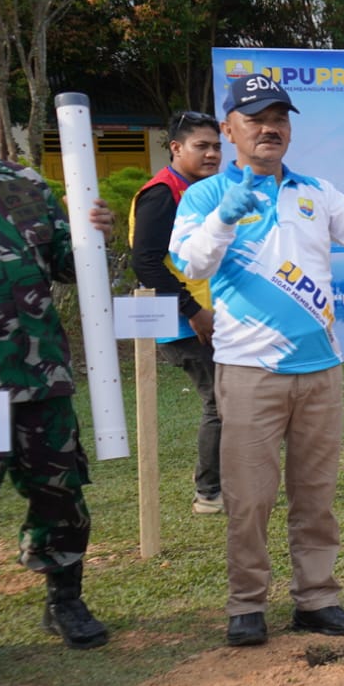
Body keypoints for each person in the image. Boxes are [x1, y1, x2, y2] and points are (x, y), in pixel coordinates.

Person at [171, 73, 344, 647]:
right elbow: (192, 263)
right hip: (250, 370)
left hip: (319, 371)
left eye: (278, 118)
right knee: (249, 497)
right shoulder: (205, 195)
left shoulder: (315, 191)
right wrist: (226, 215)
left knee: (316, 495)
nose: (269, 128)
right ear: (230, 130)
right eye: (255, 119)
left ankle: (317, 598)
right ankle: (247, 605)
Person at [0, 46, 115, 649]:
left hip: (40, 379)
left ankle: (65, 600)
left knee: (60, 492)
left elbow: (64, 264)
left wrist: (92, 235)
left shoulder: (23, 184)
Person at [129, 110, 226, 514]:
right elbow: (145, 262)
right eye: (201, 146)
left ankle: (225, 484)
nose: (212, 154)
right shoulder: (163, 193)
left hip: (210, 313)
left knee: (231, 400)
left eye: (217, 147)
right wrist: (192, 310)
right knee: (220, 403)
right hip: (185, 323)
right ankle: (209, 493)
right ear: (176, 148)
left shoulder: (205, 189)